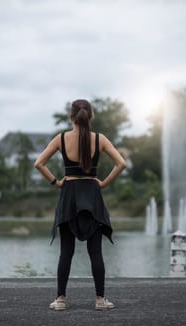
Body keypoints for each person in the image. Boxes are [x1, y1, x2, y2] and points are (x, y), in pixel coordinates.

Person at [34, 99, 126, 311]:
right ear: (90, 116)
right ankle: (100, 300)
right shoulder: (99, 139)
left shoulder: (62, 138)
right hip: (92, 196)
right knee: (96, 252)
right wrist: (102, 183)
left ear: (71, 117)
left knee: (66, 252)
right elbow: (121, 163)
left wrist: (56, 182)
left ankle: (60, 300)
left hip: (69, 197)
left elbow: (39, 163)